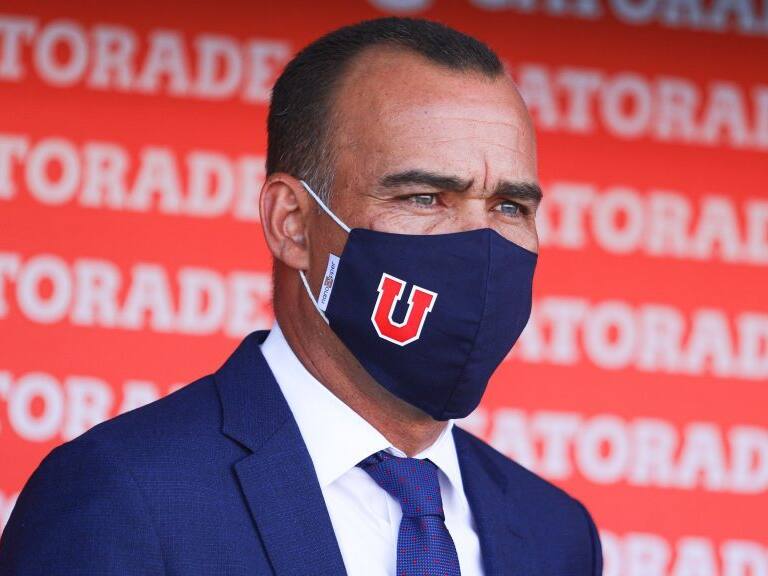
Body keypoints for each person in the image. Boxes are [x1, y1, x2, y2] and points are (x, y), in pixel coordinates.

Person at [0, 16, 602, 576]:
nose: (480, 243)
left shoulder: (555, 535)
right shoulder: (121, 495)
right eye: (424, 198)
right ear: (292, 222)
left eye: (510, 207)